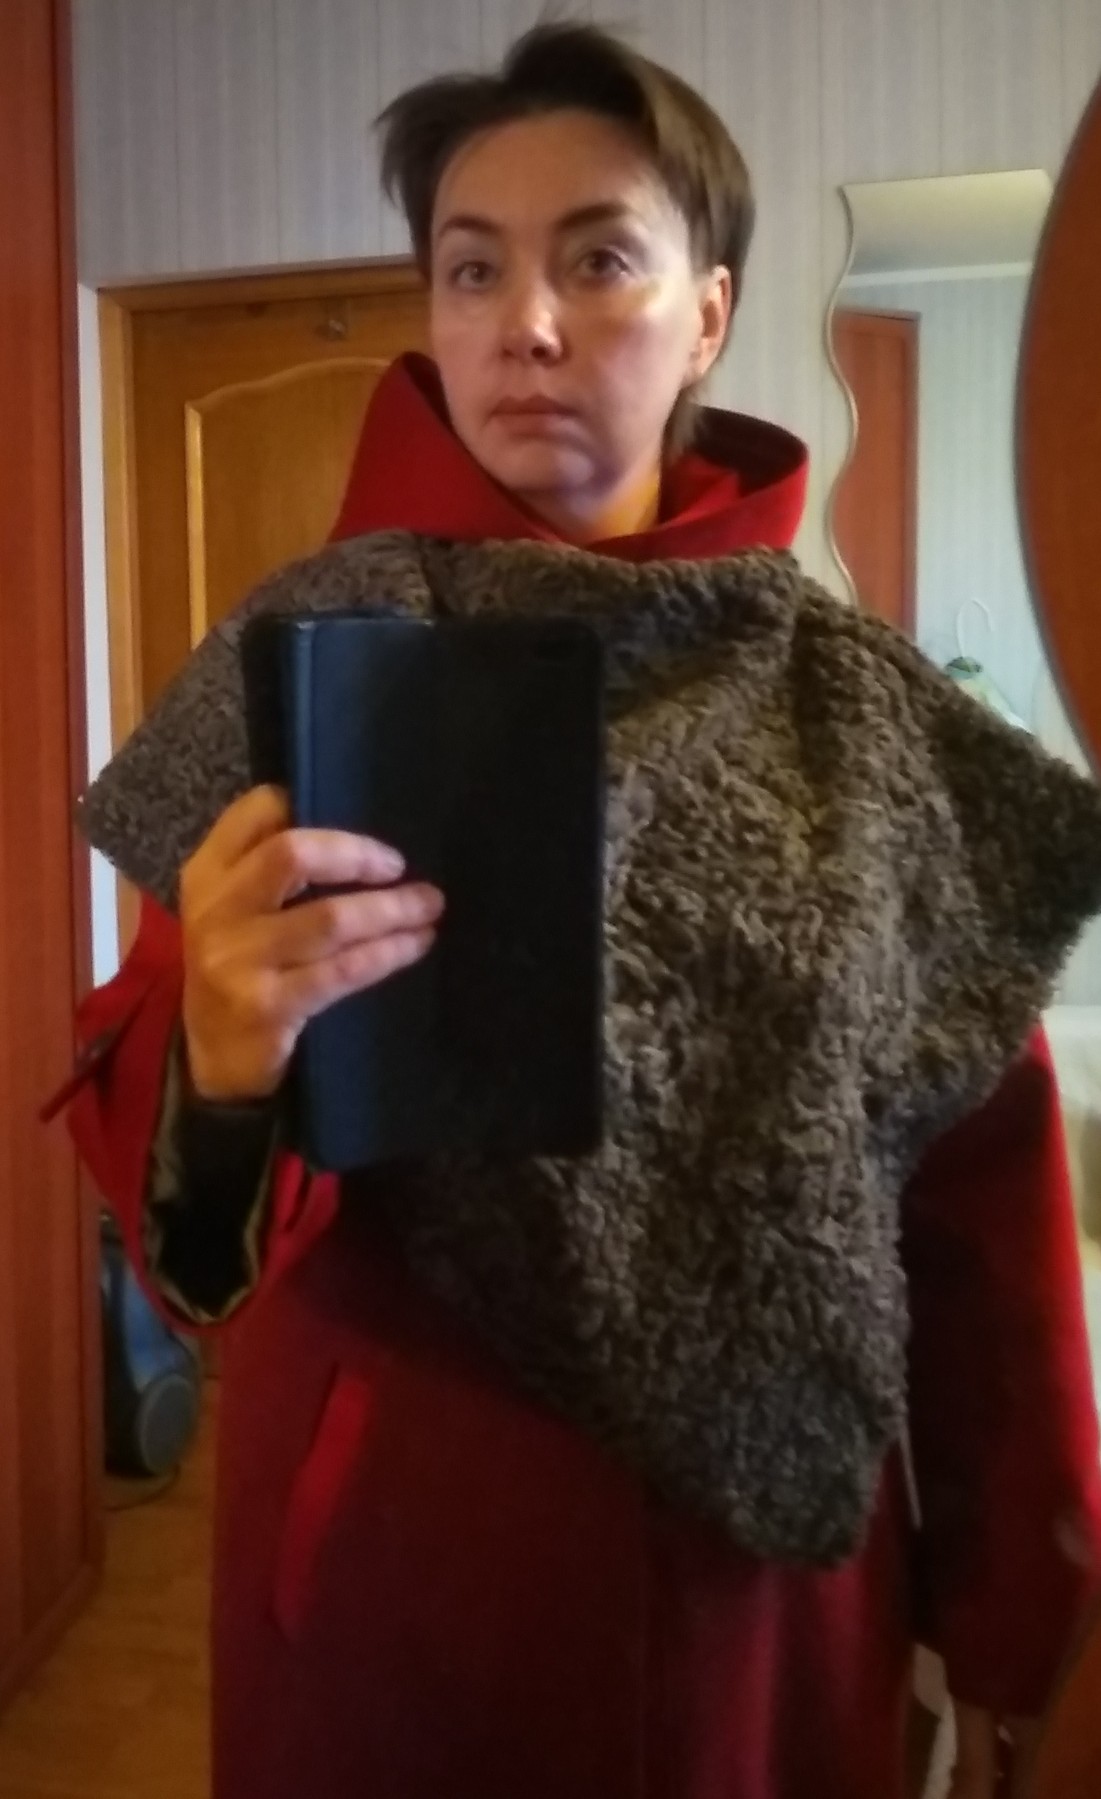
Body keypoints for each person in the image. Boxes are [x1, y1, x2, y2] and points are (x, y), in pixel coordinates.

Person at [50, 24, 1101, 1799]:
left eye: (598, 259)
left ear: (707, 313)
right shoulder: (300, 667)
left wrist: (1022, 1622)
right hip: (393, 1555)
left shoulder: (864, 723)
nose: (526, 323)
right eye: (473, 270)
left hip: (758, 1596)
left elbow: (978, 1204)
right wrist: (219, 1056)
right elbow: (162, 1149)